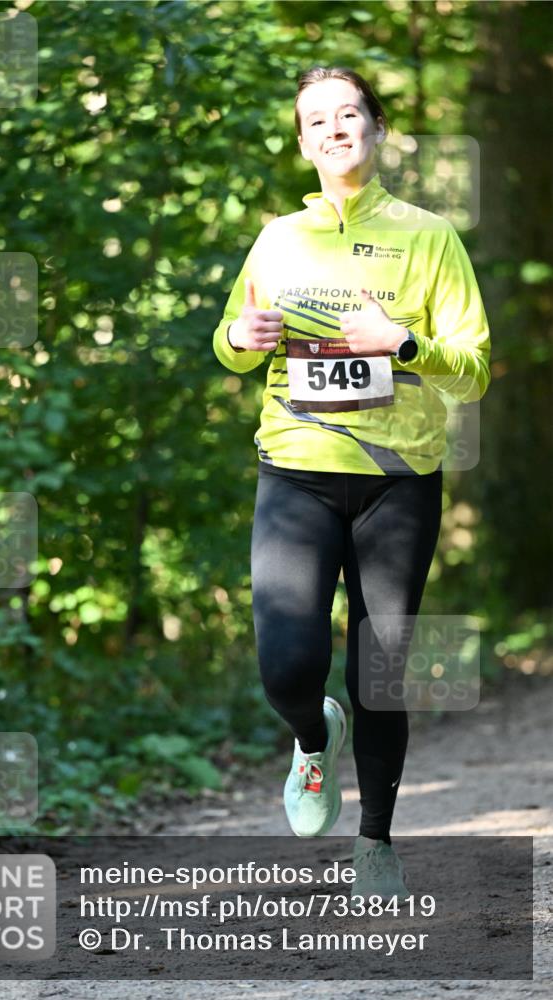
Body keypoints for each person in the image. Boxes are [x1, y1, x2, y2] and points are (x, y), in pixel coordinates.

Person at [211, 66, 491, 901]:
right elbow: (231, 344)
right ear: (303, 143)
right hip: (293, 469)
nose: (334, 129)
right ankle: (310, 736)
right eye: (316, 121)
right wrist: (241, 332)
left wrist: (400, 341)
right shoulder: (277, 239)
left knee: (380, 670)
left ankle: (374, 841)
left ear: (375, 129)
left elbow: (472, 372)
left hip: (396, 483)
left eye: (348, 114)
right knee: (286, 667)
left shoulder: (430, 237)